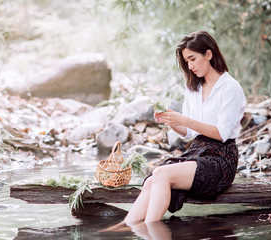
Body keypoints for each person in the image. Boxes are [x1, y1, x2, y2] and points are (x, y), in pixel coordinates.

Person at [104, 31, 246, 231]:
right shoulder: (193, 88)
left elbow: (222, 133)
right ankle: (125, 226)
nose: (190, 66)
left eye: (192, 59)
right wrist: (170, 121)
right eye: (186, 61)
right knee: (153, 179)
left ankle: (150, 229)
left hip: (221, 158)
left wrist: (185, 119)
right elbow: (188, 132)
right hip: (197, 152)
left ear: (209, 54)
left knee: (162, 173)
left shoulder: (230, 88)